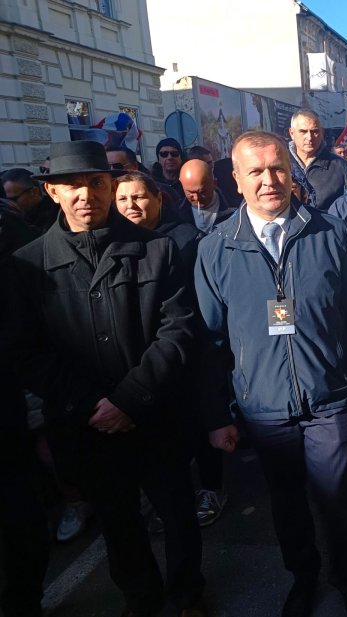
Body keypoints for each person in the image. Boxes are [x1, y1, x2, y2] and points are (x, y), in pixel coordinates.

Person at [7, 140, 206, 617]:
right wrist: (93, 405)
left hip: (157, 417)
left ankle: (187, 597)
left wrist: (131, 399)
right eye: (70, 186)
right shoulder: (26, 265)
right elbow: (26, 352)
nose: (84, 195)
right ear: (52, 192)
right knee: (118, 524)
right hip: (85, 426)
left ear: (110, 184)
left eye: (95, 183)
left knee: (179, 517)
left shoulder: (157, 249)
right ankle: (141, 598)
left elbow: (178, 331)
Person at [195, 131, 347, 617]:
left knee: (337, 501)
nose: (268, 181)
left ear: (291, 172)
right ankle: (303, 577)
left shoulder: (329, 234)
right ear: (236, 180)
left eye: (276, 168)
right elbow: (208, 342)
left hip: (329, 398)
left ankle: (346, 576)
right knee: (288, 505)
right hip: (264, 406)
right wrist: (218, 414)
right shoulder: (216, 248)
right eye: (254, 172)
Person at [113, 172, 227, 527]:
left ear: (159, 199)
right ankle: (170, 499)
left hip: (191, 347)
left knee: (198, 423)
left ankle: (211, 487)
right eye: (123, 200)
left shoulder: (186, 239)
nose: (132, 206)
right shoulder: (115, 242)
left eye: (139, 197)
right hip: (147, 355)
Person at [0, 194, 48, 617]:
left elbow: (27, 346)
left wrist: (40, 421)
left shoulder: (14, 256)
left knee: (19, 525)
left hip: (8, 417)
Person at [288, 109, 347, 211]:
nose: (309, 137)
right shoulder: (279, 164)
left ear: (322, 132)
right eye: (303, 131)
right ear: (292, 133)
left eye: (315, 131)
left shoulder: (341, 167)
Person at [177, 159, 236, 234]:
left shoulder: (234, 210)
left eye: (202, 192)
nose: (196, 198)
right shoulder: (176, 214)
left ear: (214, 183)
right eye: (190, 193)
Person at [1, 168, 59, 233]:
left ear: (34, 192)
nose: (8, 204)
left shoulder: (57, 215)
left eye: (12, 199)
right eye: (3, 200)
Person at [153, 137, 186, 203]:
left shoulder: (188, 182)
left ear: (181, 158)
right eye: (164, 154)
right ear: (158, 159)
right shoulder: (152, 184)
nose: (170, 157)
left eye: (174, 154)